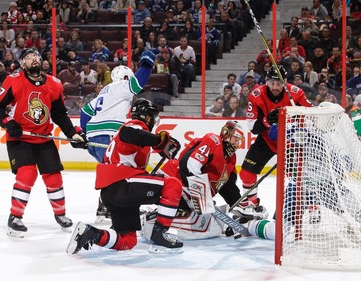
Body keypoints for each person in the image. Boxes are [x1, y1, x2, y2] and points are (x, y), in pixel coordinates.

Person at [0, 48, 88, 238]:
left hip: (43, 138)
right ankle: (15, 218)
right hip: (20, 138)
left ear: (41, 61)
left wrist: (72, 133)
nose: (33, 59)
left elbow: (59, 114)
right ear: (23, 64)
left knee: (54, 176)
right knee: (27, 174)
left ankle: (61, 215)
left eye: (35, 56)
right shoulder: (13, 80)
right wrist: (9, 123)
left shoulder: (54, 84)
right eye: (28, 58)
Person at [67, 98, 183, 255]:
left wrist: (160, 145)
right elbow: (130, 134)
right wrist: (159, 142)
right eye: (153, 118)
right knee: (172, 185)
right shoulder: (133, 126)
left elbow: (137, 142)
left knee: (128, 241)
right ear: (147, 117)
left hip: (112, 191)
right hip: (122, 184)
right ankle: (160, 234)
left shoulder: (133, 133)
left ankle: (90, 233)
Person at [141, 120, 274, 240]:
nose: (236, 143)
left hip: (189, 191)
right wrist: (199, 195)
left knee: (207, 225)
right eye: (235, 138)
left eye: (239, 140)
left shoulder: (231, 159)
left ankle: (159, 217)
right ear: (226, 133)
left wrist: (240, 205)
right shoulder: (213, 140)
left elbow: (228, 188)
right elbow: (189, 165)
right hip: (173, 181)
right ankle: (151, 219)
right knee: (200, 219)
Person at [80, 50, 156, 221]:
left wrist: (85, 134)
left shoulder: (105, 91)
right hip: (107, 136)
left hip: (95, 137)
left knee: (112, 171)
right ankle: (107, 208)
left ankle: (106, 208)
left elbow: (85, 112)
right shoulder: (121, 87)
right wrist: (147, 64)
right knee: (119, 171)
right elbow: (136, 84)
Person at [234, 65, 312, 221]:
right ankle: (253, 206)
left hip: (291, 141)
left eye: (279, 84)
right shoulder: (256, 96)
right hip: (267, 140)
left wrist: (296, 119)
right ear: (266, 82)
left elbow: (312, 116)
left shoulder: (296, 94)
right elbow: (252, 127)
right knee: (246, 173)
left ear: (285, 83)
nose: (275, 87)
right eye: (272, 83)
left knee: (297, 178)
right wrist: (267, 119)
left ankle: (308, 206)